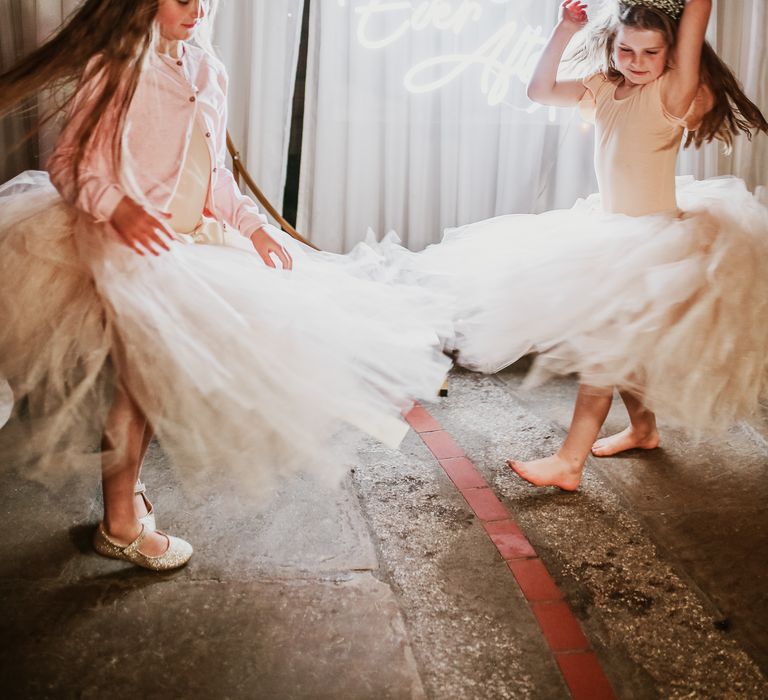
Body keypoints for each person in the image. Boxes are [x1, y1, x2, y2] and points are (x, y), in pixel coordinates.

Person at [0, 0, 451, 570]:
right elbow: (69, 164)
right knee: (139, 388)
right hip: (131, 247)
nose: (200, 9)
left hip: (191, 243)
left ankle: (124, 495)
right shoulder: (113, 67)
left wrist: (256, 229)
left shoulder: (207, 69)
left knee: (150, 387)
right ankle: (118, 524)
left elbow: (213, 176)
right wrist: (117, 208)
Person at [378, 0, 768, 490]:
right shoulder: (605, 88)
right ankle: (644, 429)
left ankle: (569, 461)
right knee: (619, 345)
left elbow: (698, 12)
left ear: (672, 55)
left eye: (651, 52)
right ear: (611, 45)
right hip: (610, 235)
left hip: (656, 246)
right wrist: (565, 28)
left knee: (605, 351)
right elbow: (539, 90)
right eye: (626, 49)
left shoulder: (672, 91)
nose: (637, 61)